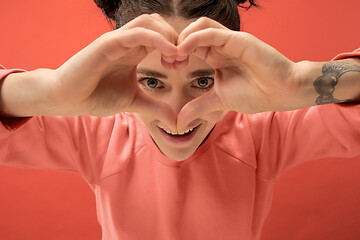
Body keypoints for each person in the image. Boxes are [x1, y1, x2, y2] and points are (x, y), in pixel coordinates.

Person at [0, 0, 359, 239]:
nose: (177, 112)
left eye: (202, 81)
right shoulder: (98, 133)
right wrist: (51, 91)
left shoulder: (262, 131)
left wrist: (300, 82)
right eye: (152, 82)